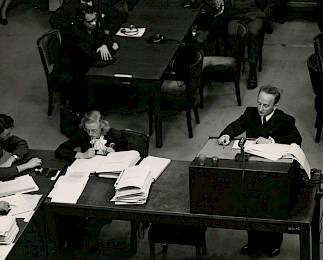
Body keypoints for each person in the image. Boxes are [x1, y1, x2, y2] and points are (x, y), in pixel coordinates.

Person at [218, 85, 302, 257]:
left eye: (266, 106)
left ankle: (274, 243)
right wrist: (227, 134)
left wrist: (272, 140)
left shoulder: (286, 120)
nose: (261, 109)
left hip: (274, 171)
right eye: (259, 104)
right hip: (253, 169)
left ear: (275, 106)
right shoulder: (251, 113)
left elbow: (295, 140)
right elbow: (236, 125)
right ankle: (253, 242)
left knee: (272, 206)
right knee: (251, 204)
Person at [53, 5, 119, 113]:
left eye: (95, 19)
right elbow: (91, 55)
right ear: (81, 21)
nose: (93, 23)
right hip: (71, 69)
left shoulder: (93, 27)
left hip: (84, 64)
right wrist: (111, 48)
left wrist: (105, 46)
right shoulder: (75, 34)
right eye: (90, 21)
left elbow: (106, 37)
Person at [212, 0, 275, 89]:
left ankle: (252, 70)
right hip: (235, 15)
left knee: (253, 33)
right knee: (232, 32)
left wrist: (264, 13)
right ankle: (236, 63)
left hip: (255, 14)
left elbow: (271, 2)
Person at [56, 110, 128, 161]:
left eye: (94, 130)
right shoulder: (82, 134)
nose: (90, 134)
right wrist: (82, 155)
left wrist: (115, 155)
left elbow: (130, 156)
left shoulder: (115, 135)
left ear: (101, 125)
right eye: (87, 129)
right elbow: (60, 150)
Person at [49, 0, 127, 39]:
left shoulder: (101, 2)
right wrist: (74, 26)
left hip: (102, 39)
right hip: (81, 46)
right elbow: (54, 19)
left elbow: (120, 16)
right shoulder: (70, 3)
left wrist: (109, 30)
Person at [0, 114, 42, 181]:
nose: (10, 135)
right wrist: (26, 166)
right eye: (7, 134)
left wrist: (11, 160)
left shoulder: (2, 138)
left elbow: (21, 143)